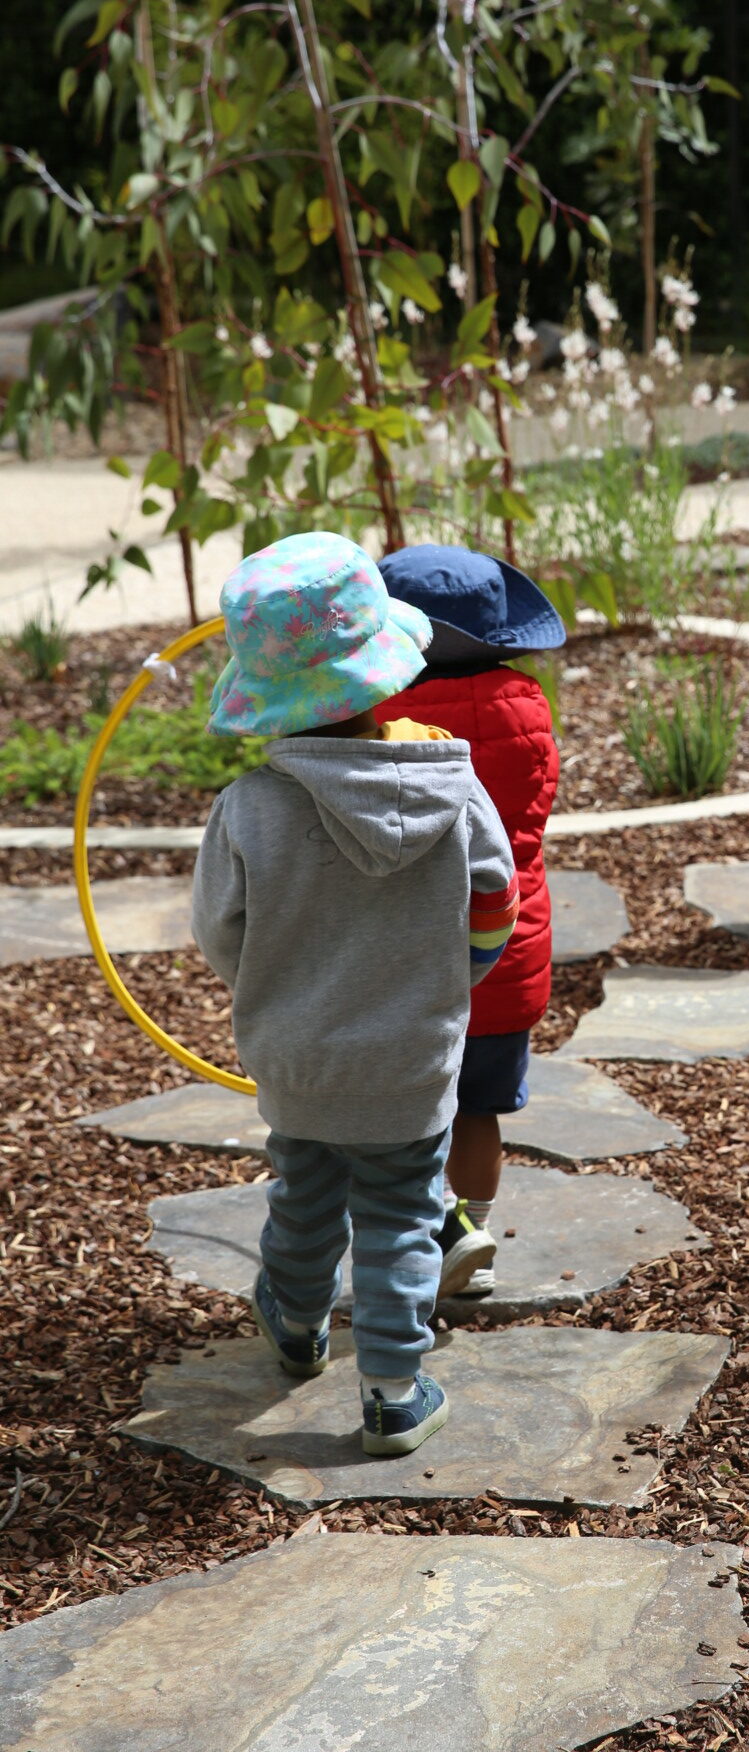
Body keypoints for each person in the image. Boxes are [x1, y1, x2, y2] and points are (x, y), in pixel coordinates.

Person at [191, 532, 518, 1456]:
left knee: (303, 1197)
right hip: (411, 1058)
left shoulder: (249, 807)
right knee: (400, 1217)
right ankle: (393, 1390)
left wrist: (281, 989)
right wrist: (449, 983)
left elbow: (222, 933)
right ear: (386, 678)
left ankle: (294, 1329)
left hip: (297, 1056)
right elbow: (495, 905)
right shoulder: (454, 789)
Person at [377, 543, 564, 1301]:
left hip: (408, 962)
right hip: (507, 949)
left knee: (408, 1116)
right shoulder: (527, 702)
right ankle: (474, 1240)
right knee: (479, 1111)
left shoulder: (380, 716)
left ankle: (434, 1236)